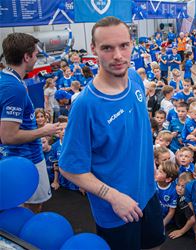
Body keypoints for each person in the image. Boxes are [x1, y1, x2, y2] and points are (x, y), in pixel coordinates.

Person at [58, 16, 165, 249]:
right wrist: (113, 196)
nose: (118, 55)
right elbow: (69, 167)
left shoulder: (135, 78)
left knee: (154, 244)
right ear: (94, 49)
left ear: (132, 44)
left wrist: (150, 161)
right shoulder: (86, 105)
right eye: (107, 48)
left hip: (148, 192)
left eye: (123, 45)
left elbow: (137, 128)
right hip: (117, 211)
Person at [0, 33, 62, 213]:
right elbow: (9, 136)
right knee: (32, 207)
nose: (37, 58)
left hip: (17, 157)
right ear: (26, 57)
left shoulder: (7, 80)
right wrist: (44, 130)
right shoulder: (14, 87)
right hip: (27, 158)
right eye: (35, 55)